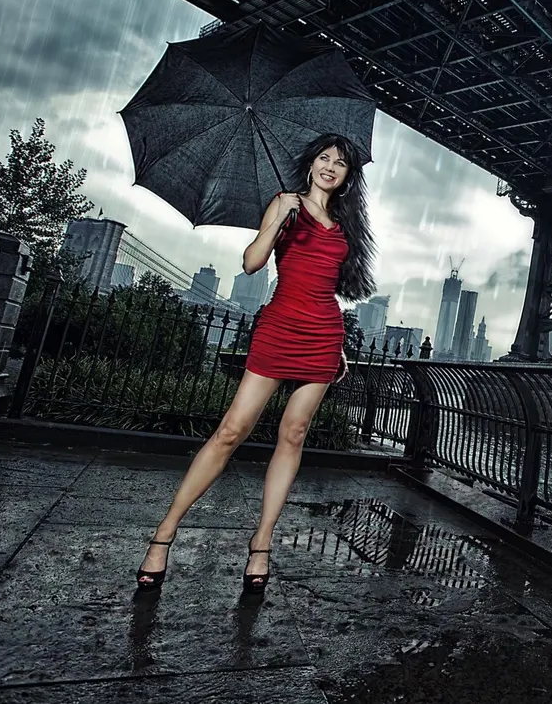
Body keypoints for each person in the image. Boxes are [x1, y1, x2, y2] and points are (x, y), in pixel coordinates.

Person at [135, 133, 376, 593]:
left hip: (324, 335)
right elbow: (251, 263)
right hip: (279, 327)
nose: (330, 166)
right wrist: (278, 220)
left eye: (340, 163)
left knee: (293, 434)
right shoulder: (284, 203)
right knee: (231, 431)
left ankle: (261, 542)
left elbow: (328, 288)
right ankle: (164, 534)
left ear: (347, 177)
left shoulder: (346, 225)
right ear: (310, 165)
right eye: (324, 158)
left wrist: (338, 344)